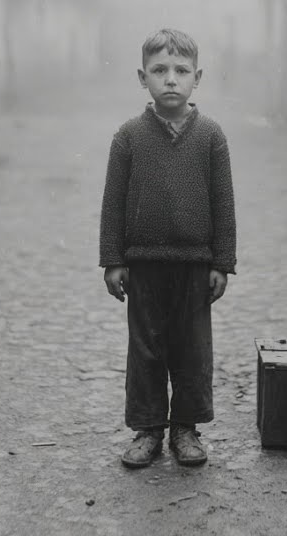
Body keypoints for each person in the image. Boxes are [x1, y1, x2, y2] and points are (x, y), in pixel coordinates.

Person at [98, 28, 237, 469]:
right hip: (143, 267)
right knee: (146, 350)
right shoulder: (129, 136)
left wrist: (223, 262)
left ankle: (186, 429)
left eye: (181, 71)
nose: (171, 79)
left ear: (198, 77)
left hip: (195, 267)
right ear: (143, 78)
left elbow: (223, 202)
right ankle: (148, 429)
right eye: (160, 70)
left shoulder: (211, 136)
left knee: (192, 350)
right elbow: (113, 201)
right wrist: (113, 260)